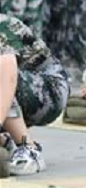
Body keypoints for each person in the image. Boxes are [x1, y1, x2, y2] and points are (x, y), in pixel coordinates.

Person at [0, 13, 68, 175]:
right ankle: (5, 142)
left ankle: (29, 149)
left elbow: (7, 71)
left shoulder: (2, 24)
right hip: (21, 90)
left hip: (50, 89)